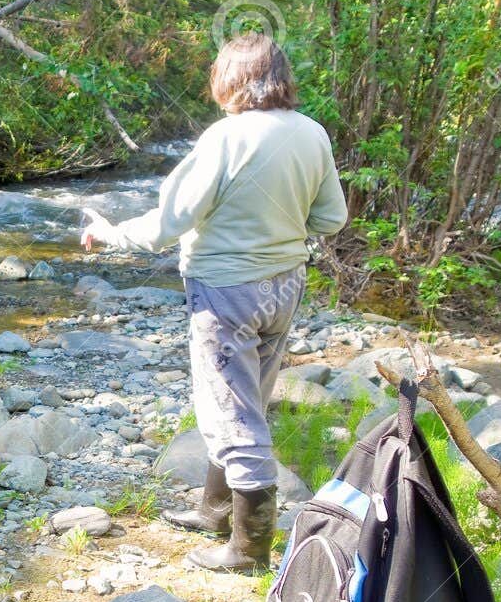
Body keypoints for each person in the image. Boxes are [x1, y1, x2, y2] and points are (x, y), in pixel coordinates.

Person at [81, 32, 347, 573]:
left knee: (232, 410)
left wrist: (110, 234)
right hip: (284, 286)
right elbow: (330, 218)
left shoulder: (225, 138)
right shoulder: (312, 133)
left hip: (225, 291)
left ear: (229, 80)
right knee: (248, 398)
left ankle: (248, 551)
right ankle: (216, 509)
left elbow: (169, 223)